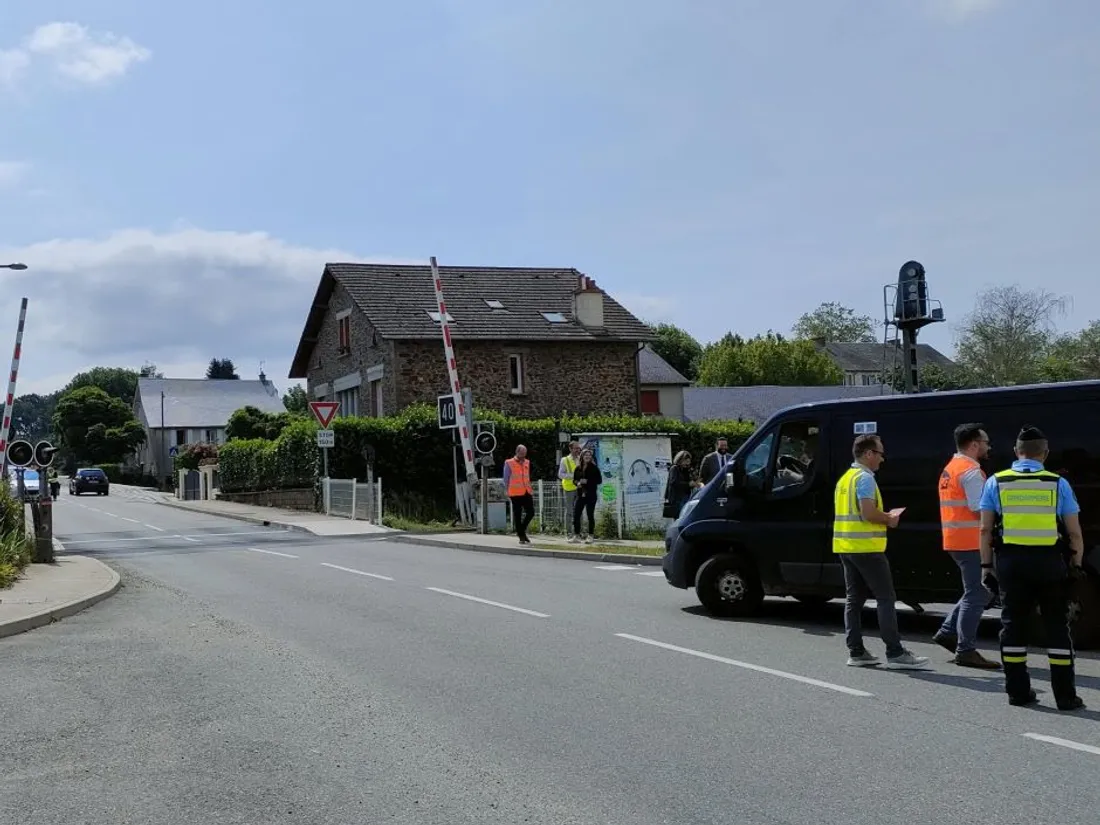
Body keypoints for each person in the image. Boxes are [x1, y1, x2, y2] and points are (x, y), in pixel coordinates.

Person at [979, 425, 1086, 710]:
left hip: (1011, 563)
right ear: (1045, 454)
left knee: (1013, 625)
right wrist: (1076, 566)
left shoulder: (996, 482)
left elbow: (985, 529)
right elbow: (1074, 533)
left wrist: (986, 566)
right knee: (1057, 626)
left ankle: (1018, 691)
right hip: (1049, 563)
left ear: (1016, 452)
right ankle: (1065, 696)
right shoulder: (1058, 483)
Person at [834, 433, 929, 669]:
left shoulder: (845, 479)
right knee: (886, 598)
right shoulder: (865, 478)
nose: (882, 459)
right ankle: (895, 653)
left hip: (846, 547)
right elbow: (868, 513)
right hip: (867, 548)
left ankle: (856, 652)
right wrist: (889, 518)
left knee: (853, 600)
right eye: (879, 453)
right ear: (868, 454)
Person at [932, 423, 1000, 669]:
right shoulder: (971, 471)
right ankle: (965, 650)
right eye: (985, 442)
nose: (988, 446)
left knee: (976, 591)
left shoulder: (951, 468)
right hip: (971, 541)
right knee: (978, 593)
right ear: (974, 444)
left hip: (956, 539)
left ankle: (948, 632)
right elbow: (980, 508)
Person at [503, 444, 535, 545]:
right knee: (518, 514)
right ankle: (521, 536)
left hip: (526, 491)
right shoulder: (509, 462)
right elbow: (506, 478)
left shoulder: (527, 462)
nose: (523, 456)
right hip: (515, 492)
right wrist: (506, 490)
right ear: (517, 452)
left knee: (531, 512)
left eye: (525, 454)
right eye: (522, 454)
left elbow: (526, 476)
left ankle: (522, 530)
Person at [572, 448, 602, 543]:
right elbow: (574, 480)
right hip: (580, 495)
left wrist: (586, 482)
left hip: (591, 495)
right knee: (576, 515)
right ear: (582, 456)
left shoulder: (594, 468)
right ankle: (576, 535)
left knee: (590, 515)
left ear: (591, 457)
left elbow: (599, 481)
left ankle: (590, 535)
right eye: (586, 455)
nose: (587, 456)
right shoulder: (578, 468)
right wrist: (577, 483)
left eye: (589, 455)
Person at [663, 450, 699, 519]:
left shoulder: (685, 470)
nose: (688, 463)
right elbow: (673, 482)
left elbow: (687, 482)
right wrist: (688, 484)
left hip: (685, 497)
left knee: (684, 517)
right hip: (677, 499)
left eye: (689, 461)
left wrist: (693, 483)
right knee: (679, 518)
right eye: (686, 461)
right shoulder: (674, 468)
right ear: (680, 460)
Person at [558, 441, 582, 539]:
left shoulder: (581, 459)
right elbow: (560, 474)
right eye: (575, 448)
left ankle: (578, 532)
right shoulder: (565, 460)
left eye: (578, 448)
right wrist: (573, 476)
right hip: (569, 488)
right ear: (570, 449)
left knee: (579, 510)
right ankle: (568, 532)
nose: (578, 450)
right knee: (569, 511)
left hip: (580, 488)